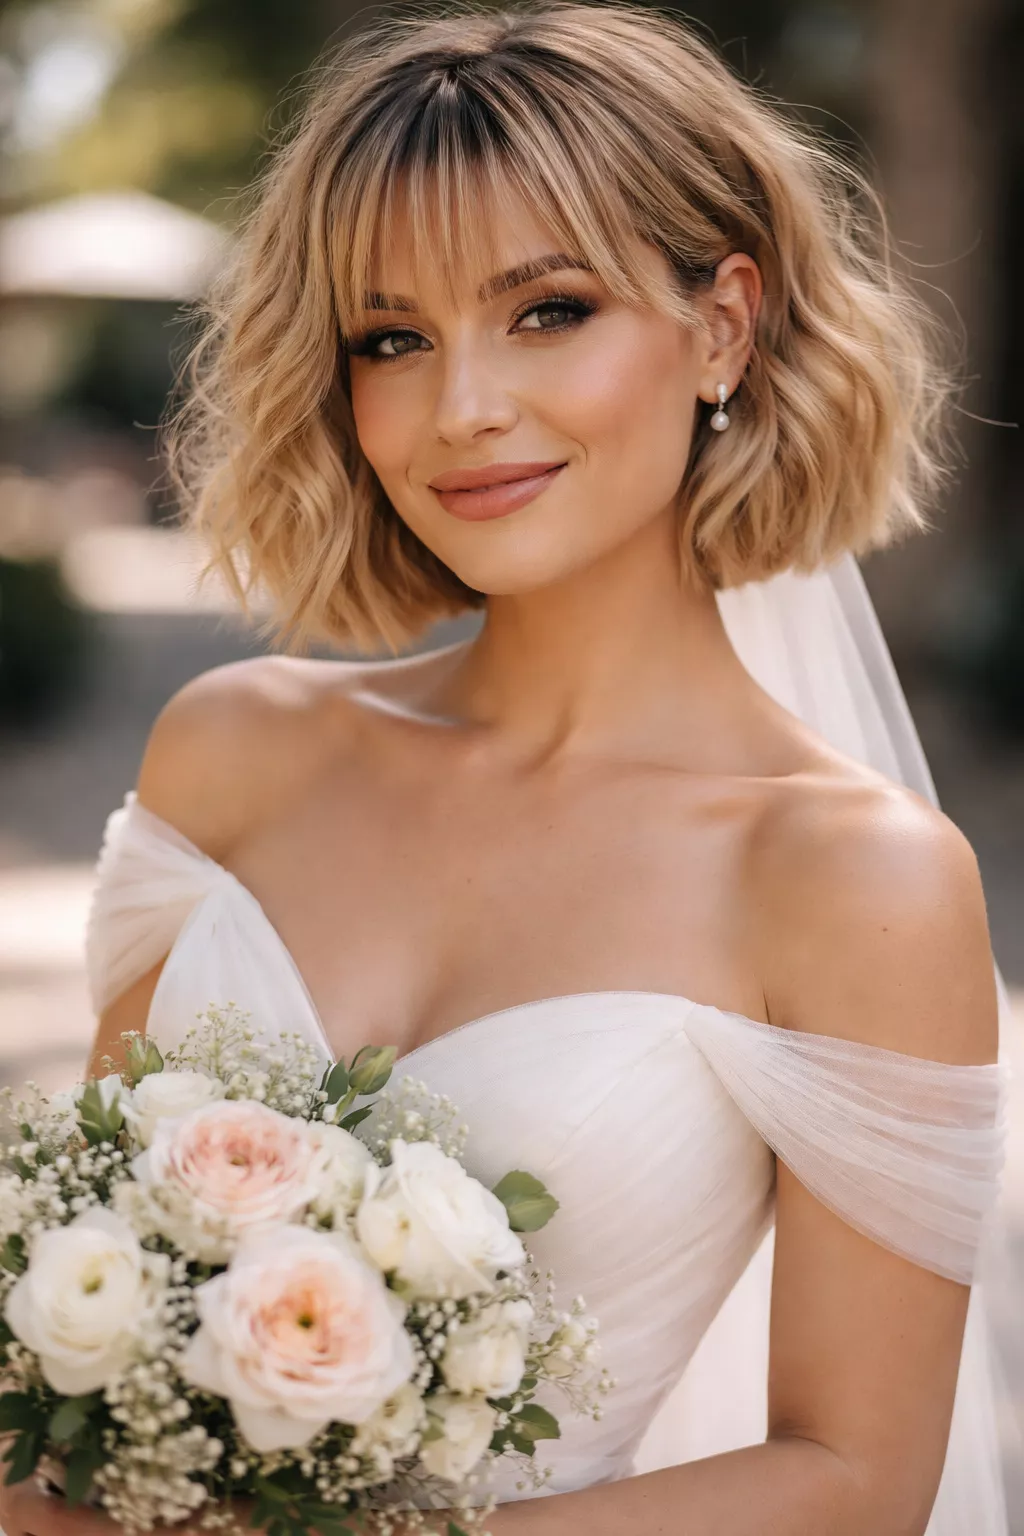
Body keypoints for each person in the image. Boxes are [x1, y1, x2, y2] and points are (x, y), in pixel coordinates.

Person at [1, 4, 1011, 1532]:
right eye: (392, 338)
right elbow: (75, 1337)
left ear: (724, 325)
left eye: (547, 311)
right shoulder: (235, 752)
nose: (462, 405)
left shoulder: (852, 878)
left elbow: (856, 1477)